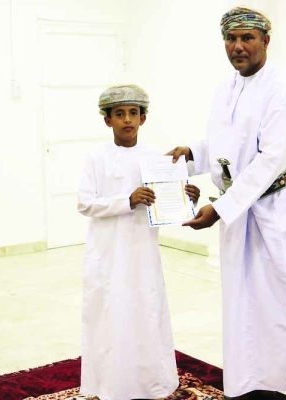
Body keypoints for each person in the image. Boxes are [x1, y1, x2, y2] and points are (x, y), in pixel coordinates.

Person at [167, 7, 286, 400]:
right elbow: (224, 143)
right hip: (241, 212)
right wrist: (193, 154)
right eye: (231, 39)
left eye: (247, 38)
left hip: (276, 212)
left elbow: (271, 160)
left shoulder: (282, 90)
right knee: (245, 304)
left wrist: (220, 209)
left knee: (281, 303)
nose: (238, 46)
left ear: (266, 41)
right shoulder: (226, 88)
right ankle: (253, 384)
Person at [77, 84, 200, 400]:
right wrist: (127, 200)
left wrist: (188, 198)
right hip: (107, 253)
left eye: (133, 113)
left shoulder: (157, 158)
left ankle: (150, 385)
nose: (127, 120)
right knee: (110, 316)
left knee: (146, 313)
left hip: (143, 252)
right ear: (108, 120)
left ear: (143, 118)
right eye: (119, 114)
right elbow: (85, 204)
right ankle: (110, 387)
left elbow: (169, 205)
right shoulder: (96, 158)